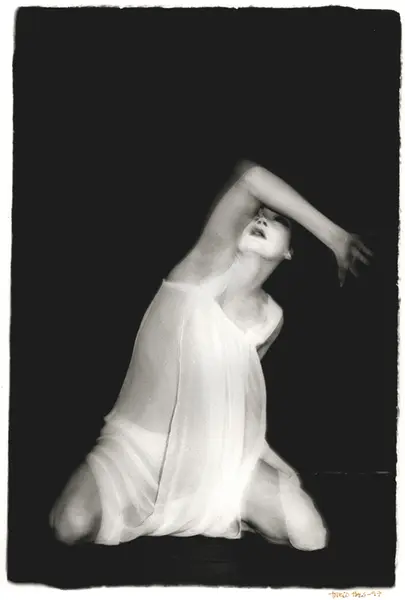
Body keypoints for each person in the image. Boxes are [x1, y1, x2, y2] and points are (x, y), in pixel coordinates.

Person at [50, 161, 371, 550]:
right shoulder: (202, 268)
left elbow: (236, 406)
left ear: (289, 251)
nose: (262, 218)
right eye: (259, 213)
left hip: (213, 461)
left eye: (278, 220)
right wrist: (335, 236)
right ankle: (176, 507)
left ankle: (216, 507)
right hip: (137, 452)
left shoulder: (271, 319)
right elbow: (250, 177)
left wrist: (272, 463)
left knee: (310, 534)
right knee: (69, 525)